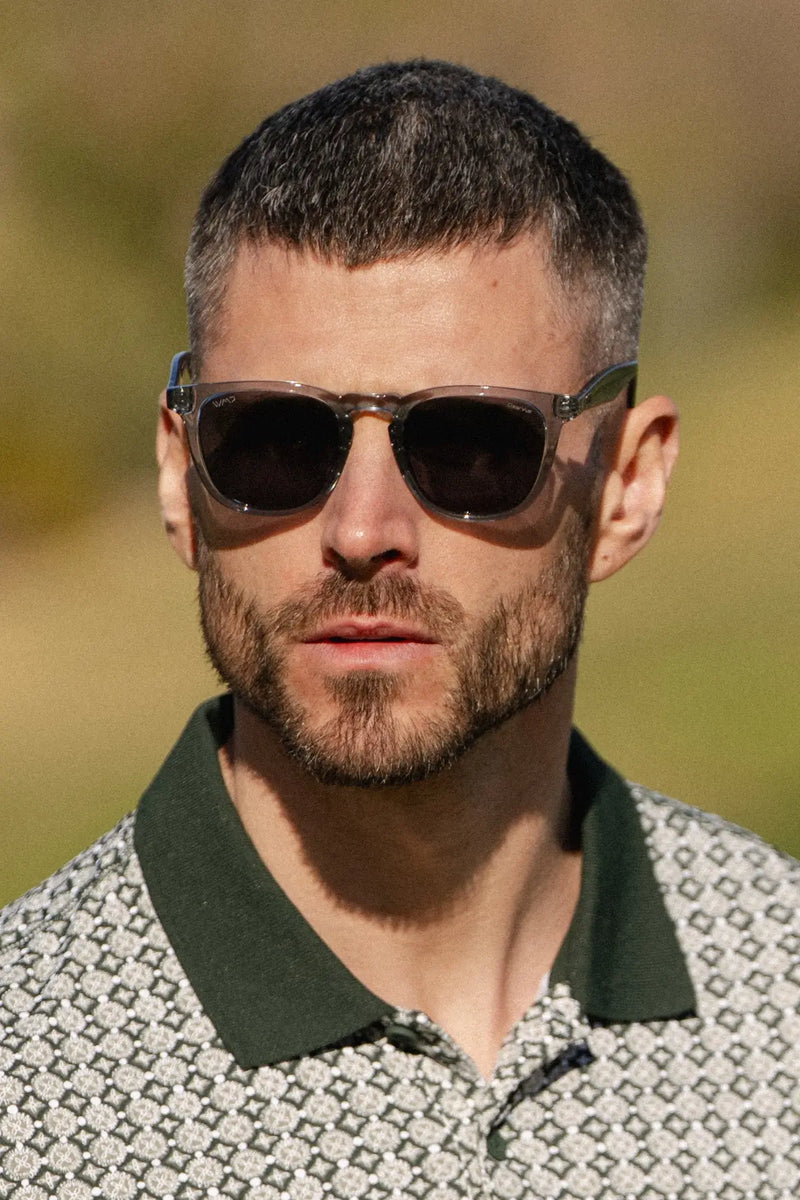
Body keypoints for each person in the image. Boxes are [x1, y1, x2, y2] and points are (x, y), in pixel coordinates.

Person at [1, 59, 797, 1200]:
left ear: (622, 484)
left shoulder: (779, 995)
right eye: (272, 439)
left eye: (471, 445)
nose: (361, 529)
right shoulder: (23, 1086)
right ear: (181, 476)